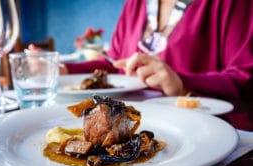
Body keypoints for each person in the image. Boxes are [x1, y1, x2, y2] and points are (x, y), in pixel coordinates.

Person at [29, 0, 253, 130]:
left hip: (200, 131)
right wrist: (64, 70)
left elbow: (245, 77)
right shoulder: (135, 3)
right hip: (129, 127)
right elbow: (115, 62)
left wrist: (181, 83)